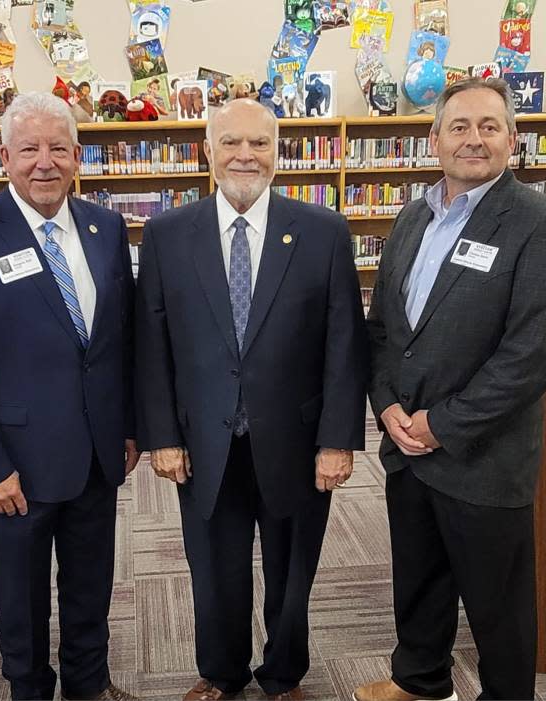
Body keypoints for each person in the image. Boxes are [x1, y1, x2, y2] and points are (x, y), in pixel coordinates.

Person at [354, 77, 546, 701]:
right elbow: (383, 330)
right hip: (407, 446)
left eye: (489, 126)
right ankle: (421, 683)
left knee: (498, 606)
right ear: (435, 139)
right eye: (459, 126)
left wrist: (442, 424)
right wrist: (390, 407)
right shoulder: (411, 215)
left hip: (484, 457)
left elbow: (532, 354)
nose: (473, 139)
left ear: (513, 137)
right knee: (420, 581)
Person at [135, 98, 368, 701]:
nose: (245, 155)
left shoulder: (323, 231)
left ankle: (285, 674)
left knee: (293, 572)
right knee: (214, 571)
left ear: (278, 152)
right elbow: (152, 344)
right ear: (207, 152)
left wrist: (338, 440)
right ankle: (221, 672)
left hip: (296, 441)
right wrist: (162, 435)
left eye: (260, 144)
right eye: (231, 142)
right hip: (203, 443)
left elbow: (344, 343)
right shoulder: (166, 235)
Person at [0, 92, 138, 701]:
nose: (45, 162)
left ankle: (89, 685)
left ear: (77, 156)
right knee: (22, 599)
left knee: (91, 584)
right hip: (13, 464)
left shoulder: (106, 227)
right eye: (29, 149)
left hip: (97, 453)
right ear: (3, 157)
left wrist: (126, 427)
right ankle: (29, 691)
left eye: (58, 148)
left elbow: (117, 340)